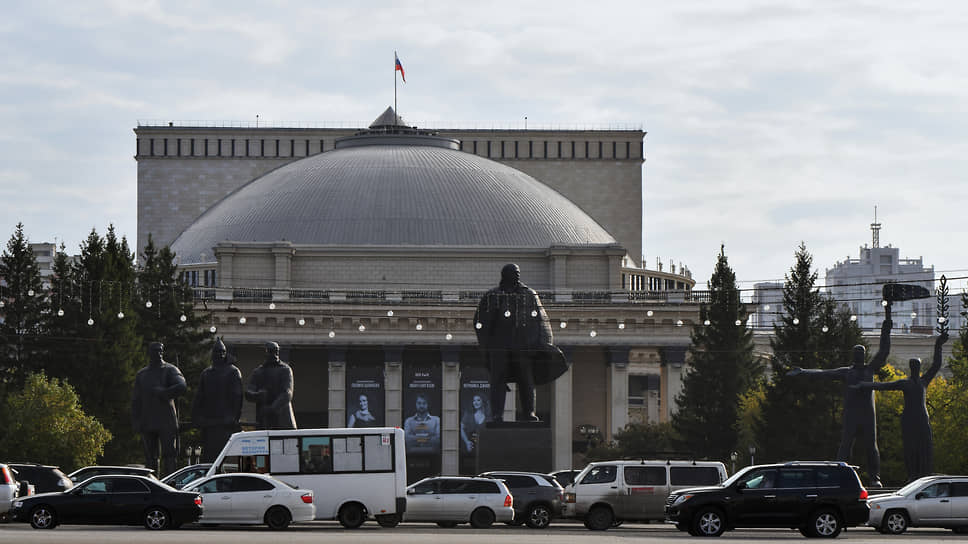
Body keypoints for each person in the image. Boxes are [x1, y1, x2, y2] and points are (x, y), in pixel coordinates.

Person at [787, 302, 893, 487]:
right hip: (851, 414)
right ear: (853, 355)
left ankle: (875, 478)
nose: (859, 355)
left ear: (864, 355)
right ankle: (838, 475)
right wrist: (803, 371)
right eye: (856, 353)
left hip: (868, 415)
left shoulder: (870, 369)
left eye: (861, 353)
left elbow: (884, 351)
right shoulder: (847, 372)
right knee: (845, 445)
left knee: (871, 446)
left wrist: (887, 323)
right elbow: (822, 373)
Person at [474, 263, 568, 422]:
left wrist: (545, 343)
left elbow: (541, 319)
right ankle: (497, 414)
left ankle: (529, 412)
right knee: (498, 381)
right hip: (500, 347)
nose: (516, 276)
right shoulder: (492, 296)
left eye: (517, 273)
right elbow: (480, 322)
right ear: (504, 275)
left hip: (524, 347)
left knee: (527, 380)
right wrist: (486, 347)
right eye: (512, 273)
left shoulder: (529, 294)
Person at [851, 331, 948, 481]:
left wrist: (938, 345)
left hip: (922, 419)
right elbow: (883, 385)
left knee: (925, 447)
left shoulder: (923, 381)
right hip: (909, 419)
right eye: (913, 365)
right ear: (911, 367)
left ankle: (925, 474)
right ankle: (912, 475)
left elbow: (936, 365)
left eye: (917, 365)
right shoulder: (905, 383)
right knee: (910, 447)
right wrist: (864, 385)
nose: (915, 367)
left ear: (919, 367)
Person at [131, 342, 187, 476]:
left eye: (160, 351)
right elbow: (136, 400)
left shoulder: (170, 369)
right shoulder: (142, 374)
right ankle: (152, 484)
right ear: (149, 353)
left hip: (166, 420)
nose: (158, 353)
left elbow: (182, 386)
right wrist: (136, 421)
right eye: (155, 351)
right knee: (150, 457)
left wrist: (165, 392)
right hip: (148, 420)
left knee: (170, 455)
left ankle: (171, 482)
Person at [191, 337, 243, 462]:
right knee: (209, 456)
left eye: (222, 352)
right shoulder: (206, 373)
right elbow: (199, 397)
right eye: (217, 352)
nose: (220, 354)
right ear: (212, 354)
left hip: (226, 423)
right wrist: (196, 417)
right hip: (209, 423)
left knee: (224, 457)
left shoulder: (233, 372)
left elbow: (238, 397)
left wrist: (234, 417)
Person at [245, 341, 296, 429]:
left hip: (282, 420)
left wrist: (272, 408)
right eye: (270, 351)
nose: (273, 354)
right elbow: (248, 392)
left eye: (276, 351)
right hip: (264, 420)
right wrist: (257, 395)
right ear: (266, 352)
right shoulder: (258, 372)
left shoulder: (285, 370)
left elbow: (287, 393)